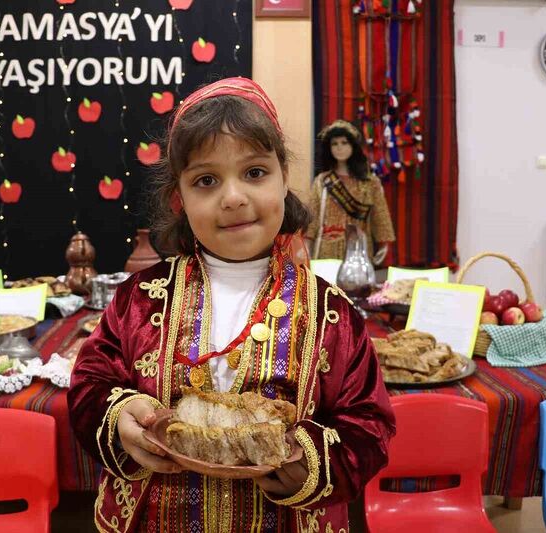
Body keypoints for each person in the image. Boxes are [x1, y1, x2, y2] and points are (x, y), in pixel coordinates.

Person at [68, 77, 395, 532]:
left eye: (255, 172)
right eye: (206, 180)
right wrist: (119, 415)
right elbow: (89, 383)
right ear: (178, 199)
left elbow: (369, 425)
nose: (234, 197)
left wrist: (307, 462)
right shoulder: (137, 301)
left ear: (284, 179)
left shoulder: (331, 314)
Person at [307, 120, 395, 264]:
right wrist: (306, 242)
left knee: (357, 285)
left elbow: (380, 215)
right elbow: (312, 215)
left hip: (359, 249)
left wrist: (384, 242)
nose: (339, 148)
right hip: (327, 250)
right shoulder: (322, 181)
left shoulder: (370, 182)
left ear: (353, 146)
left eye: (344, 143)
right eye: (334, 144)